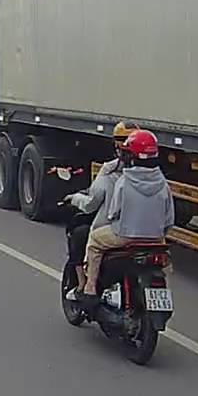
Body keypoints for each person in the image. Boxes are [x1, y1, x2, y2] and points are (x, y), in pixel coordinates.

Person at [80, 129, 175, 308]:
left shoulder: (124, 181)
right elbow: (169, 219)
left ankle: (90, 287)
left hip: (125, 236)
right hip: (155, 239)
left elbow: (113, 213)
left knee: (94, 241)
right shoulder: (163, 184)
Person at [63, 122, 138, 296]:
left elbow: (99, 207)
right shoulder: (157, 179)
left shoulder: (113, 174)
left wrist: (74, 199)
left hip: (121, 231)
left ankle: (87, 286)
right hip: (154, 237)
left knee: (84, 237)